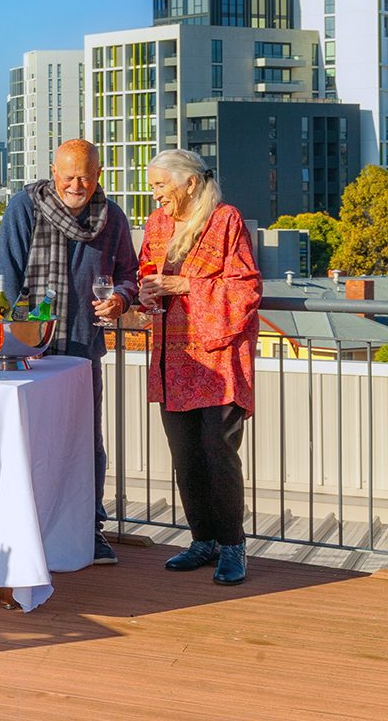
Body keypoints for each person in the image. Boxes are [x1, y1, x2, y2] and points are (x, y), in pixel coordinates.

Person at [0, 138, 140, 565]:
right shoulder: (25, 208)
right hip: (27, 351)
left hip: (81, 348)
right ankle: (25, 531)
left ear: (99, 176)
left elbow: (129, 275)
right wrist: (18, 340)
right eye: (69, 176)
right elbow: (4, 278)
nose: (77, 185)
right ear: (53, 173)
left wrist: (121, 299)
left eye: (86, 177)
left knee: (84, 443)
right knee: (26, 441)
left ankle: (88, 528)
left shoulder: (112, 217)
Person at [138, 149, 260, 586]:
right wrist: (146, 293)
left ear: (189, 183)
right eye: (153, 186)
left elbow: (245, 288)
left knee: (218, 453)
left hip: (218, 359)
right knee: (185, 456)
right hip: (172, 358)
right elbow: (145, 274)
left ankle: (232, 546)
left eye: (160, 185)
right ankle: (202, 540)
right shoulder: (156, 224)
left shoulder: (226, 220)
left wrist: (183, 283)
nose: (155, 195)